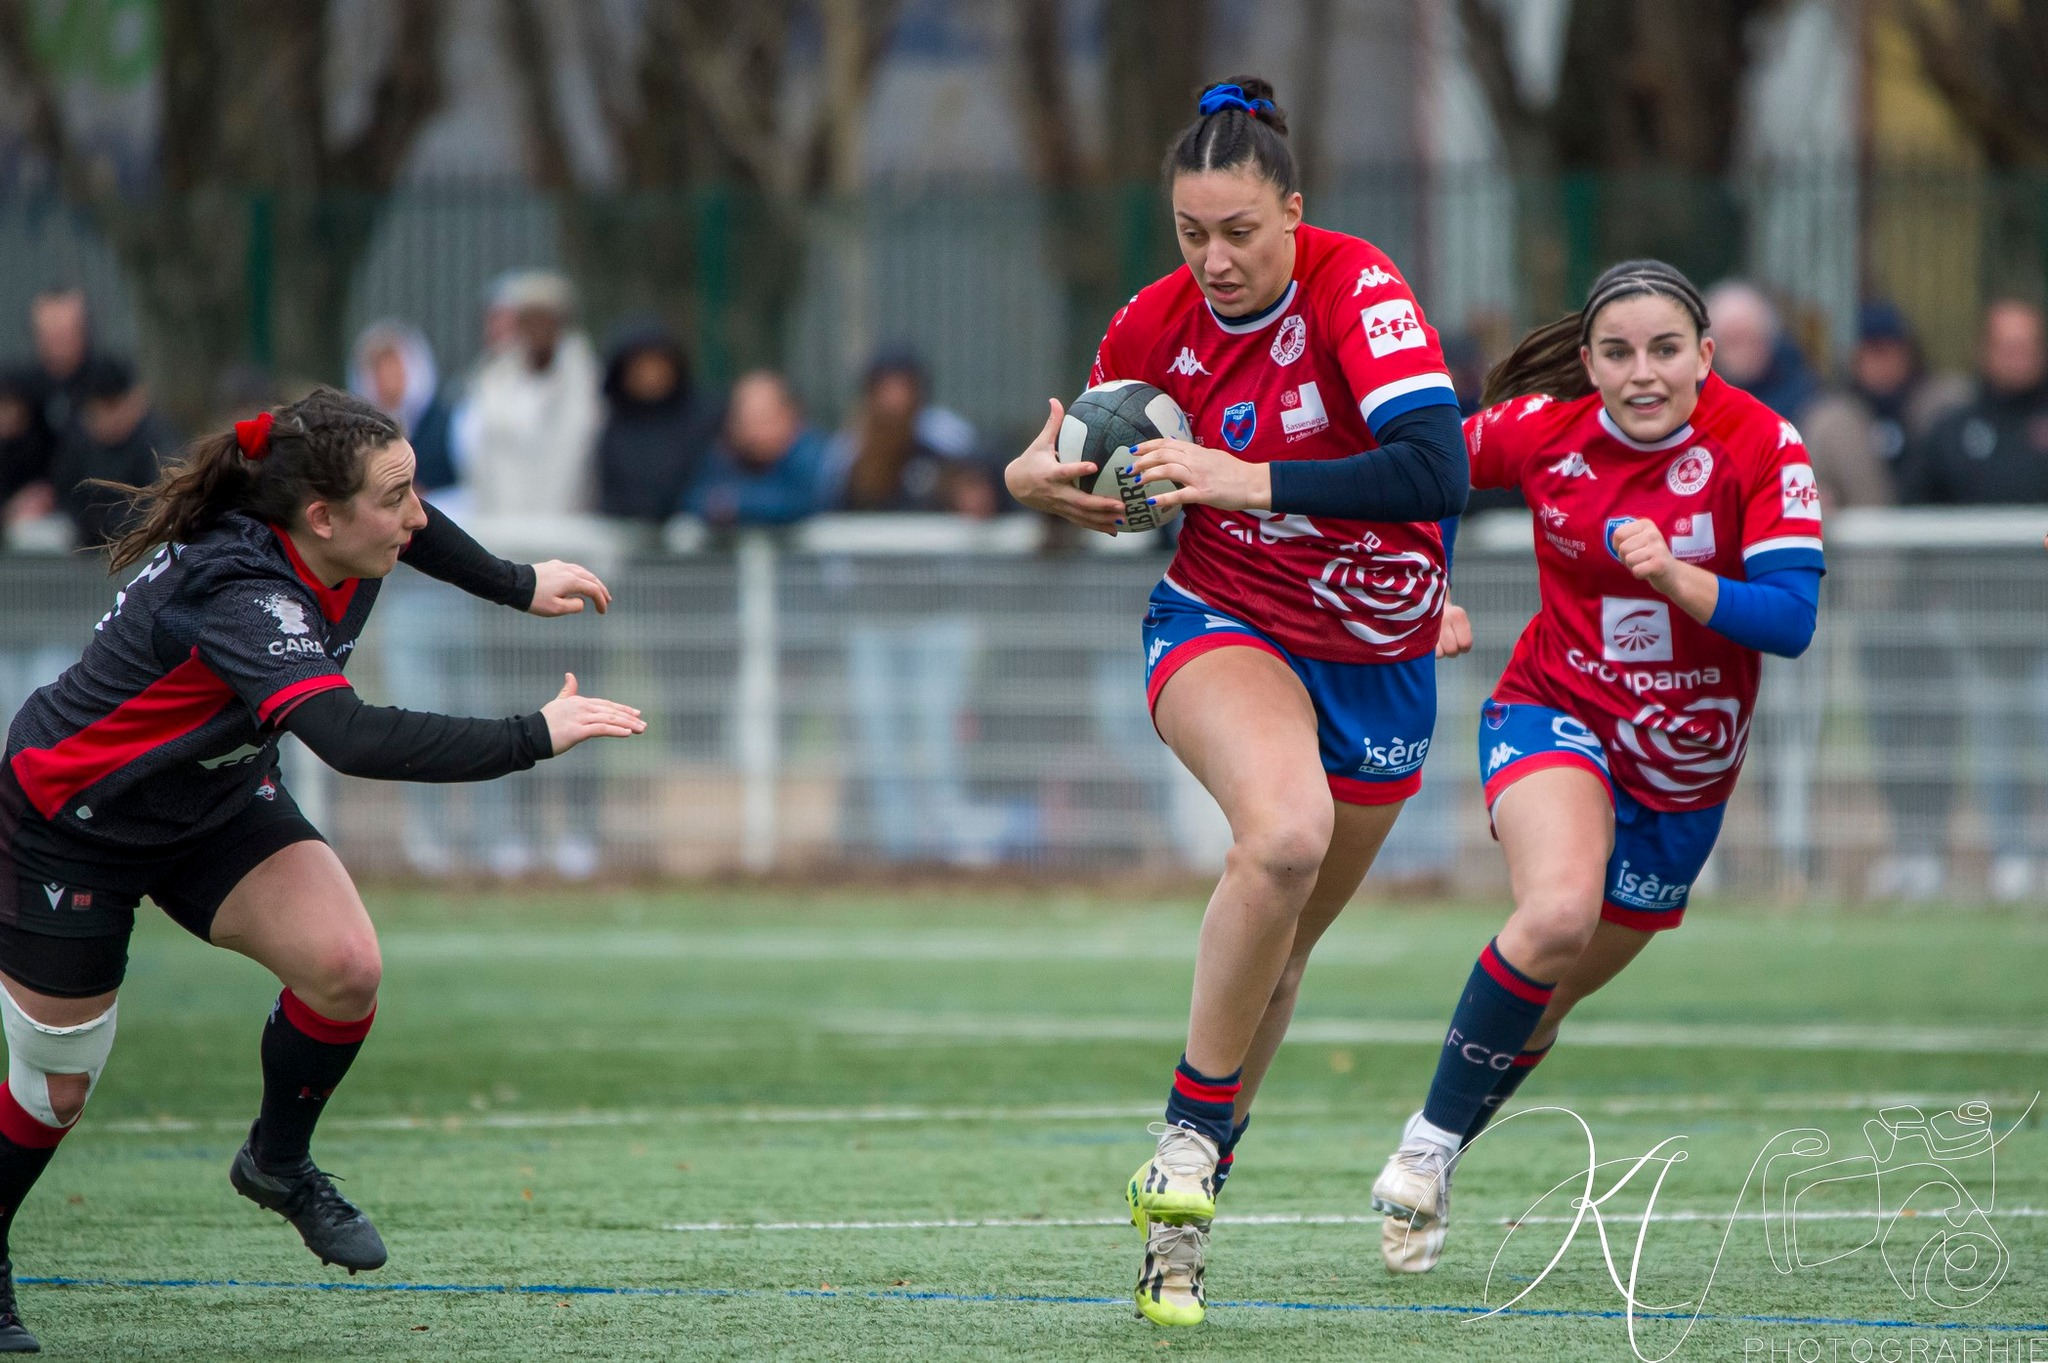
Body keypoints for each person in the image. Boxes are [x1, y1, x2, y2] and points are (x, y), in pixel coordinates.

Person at [0, 388, 642, 1351]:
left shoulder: (351, 526)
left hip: (209, 801)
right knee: (57, 1089)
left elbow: (415, 532)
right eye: (397, 498)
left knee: (345, 969)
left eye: (416, 485)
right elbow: (344, 734)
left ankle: (277, 1160)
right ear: (322, 518)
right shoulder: (243, 593)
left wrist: (517, 581)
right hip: (74, 819)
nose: (417, 516)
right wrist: (530, 736)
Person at [1006, 76, 1468, 1327]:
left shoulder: (1356, 287)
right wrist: (1032, 479)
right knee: (1282, 835)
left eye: (1239, 233)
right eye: (1189, 234)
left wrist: (1240, 472)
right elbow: (1091, 461)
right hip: (1225, 618)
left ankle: (1185, 1191)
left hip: (1379, 654)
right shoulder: (1151, 324)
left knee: (1282, 946)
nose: (1211, 260)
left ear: (1295, 213)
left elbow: (1437, 468)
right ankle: (1184, 1157)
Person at [1365, 261, 1823, 1276]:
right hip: (1553, 712)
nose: (1641, 372)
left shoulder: (1760, 443)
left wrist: (1675, 575)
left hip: (1682, 776)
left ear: (1703, 356)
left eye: (1664, 349)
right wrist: (1424, 581)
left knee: (1549, 996)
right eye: (1616, 352)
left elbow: (1789, 620)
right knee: (1554, 912)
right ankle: (1426, 1147)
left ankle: (1433, 1151)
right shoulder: (1544, 431)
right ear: (1586, 362)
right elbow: (1420, 464)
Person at [1889, 298, 2048, 899]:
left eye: (2026, 344)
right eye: (2005, 344)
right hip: (1977, 629)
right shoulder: (1955, 428)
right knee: (1994, 751)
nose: (2016, 356)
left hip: (2045, 624)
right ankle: (2009, 860)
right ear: (1985, 351)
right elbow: (1914, 515)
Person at [459, 271, 602, 517]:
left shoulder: (586, 383)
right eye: (530, 320)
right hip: (505, 520)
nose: (538, 329)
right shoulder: (494, 379)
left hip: (567, 517)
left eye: (546, 320)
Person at [827, 350, 997, 516]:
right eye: (887, 389)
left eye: (903, 387)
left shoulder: (946, 441)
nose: (896, 401)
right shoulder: (848, 454)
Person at [596, 319, 722, 527]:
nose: (650, 375)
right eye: (639, 366)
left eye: (657, 364)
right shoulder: (613, 428)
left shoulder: (705, 418)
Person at [48, 357, 179, 551]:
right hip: (84, 544)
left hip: (142, 541)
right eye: (96, 410)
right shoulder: (79, 440)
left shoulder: (158, 439)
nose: (106, 418)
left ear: (136, 400)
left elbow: (163, 501)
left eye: (112, 406)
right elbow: (65, 494)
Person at [687, 370, 827, 528]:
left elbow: (802, 503)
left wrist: (736, 504)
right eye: (744, 420)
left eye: (764, 418)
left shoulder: (815, 456)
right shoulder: (725, 454)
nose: (753, 430)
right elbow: (695, 500)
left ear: (790, 414)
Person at [349, 321, 458, 496]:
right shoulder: (355, 431)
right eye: (378, 368)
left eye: (393, 366)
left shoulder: (448, 423)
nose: (386, 377)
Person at [1705, 280, 1821, 427]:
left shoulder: (1807, 398)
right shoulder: (1696, 401)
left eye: (1751, 338)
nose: (1743, 353)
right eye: (1732, 341)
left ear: (1769, 338)